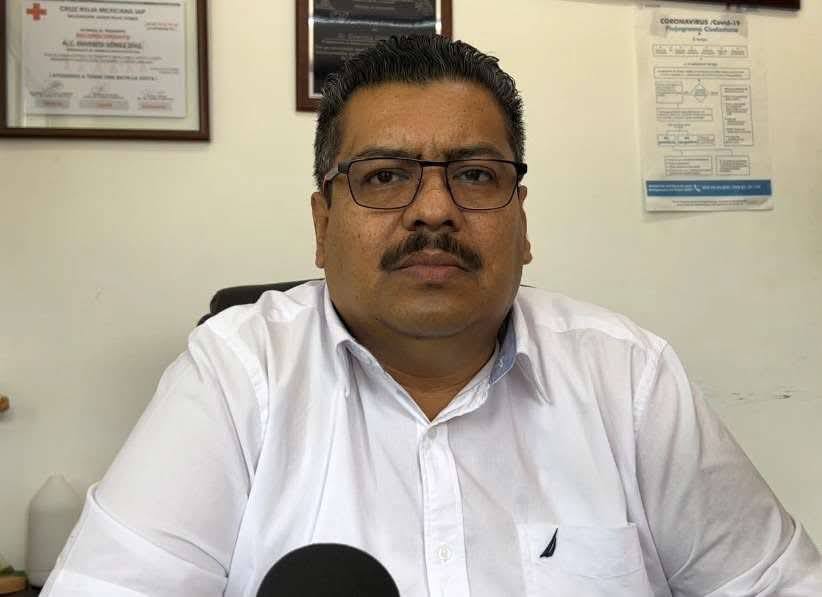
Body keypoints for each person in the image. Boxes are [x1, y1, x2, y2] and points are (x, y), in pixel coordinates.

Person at [43, 35, 820, 597]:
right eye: (385, 176)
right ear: (322, 223)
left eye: (475, 175)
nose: (435, 210)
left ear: (522, 222)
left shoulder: (631, 379)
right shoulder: (236, 373)